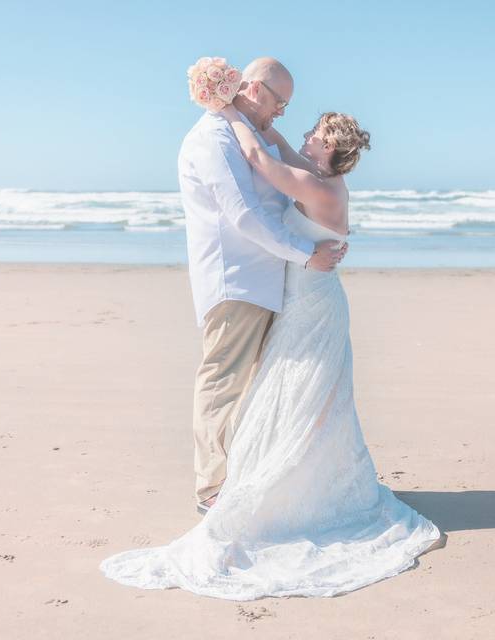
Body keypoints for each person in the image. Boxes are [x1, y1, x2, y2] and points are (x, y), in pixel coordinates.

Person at [99, 61, 444, 600]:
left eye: (315, 133)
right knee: (271, 390)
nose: (295, 124)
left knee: (298, 394)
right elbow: (264, 166)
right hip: (269, 289)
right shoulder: (281, 158)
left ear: (330, 152)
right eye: (281, 102)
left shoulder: (313, 179)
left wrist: (236, 109)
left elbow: (263, 156)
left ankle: (284, 482)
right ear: (256, 89)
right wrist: (238, 110)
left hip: (305, 299)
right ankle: (229, 484)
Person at [175, 57, 346, 515]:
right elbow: (244, 215)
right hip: (238, 282)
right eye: (279, 101)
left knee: (261, 390)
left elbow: (278, 183)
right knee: (222, 383)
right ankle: (210, 487)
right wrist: (306, 253)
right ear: (252, 90)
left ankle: (254, 477)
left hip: (269, 284)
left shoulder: (246, 133)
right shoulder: (214, 138)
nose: (283, 113)